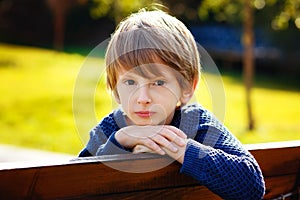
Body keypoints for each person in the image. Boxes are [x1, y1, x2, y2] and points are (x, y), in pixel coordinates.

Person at [79, 8, 265, 199]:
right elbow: (73, 185)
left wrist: (179, 148)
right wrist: (120, 141)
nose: (142, 97)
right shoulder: (111, 129)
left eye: (158, 83)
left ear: (187, 88)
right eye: (130, 82)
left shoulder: (196, 123)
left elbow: (251, 186)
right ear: (115, 88)